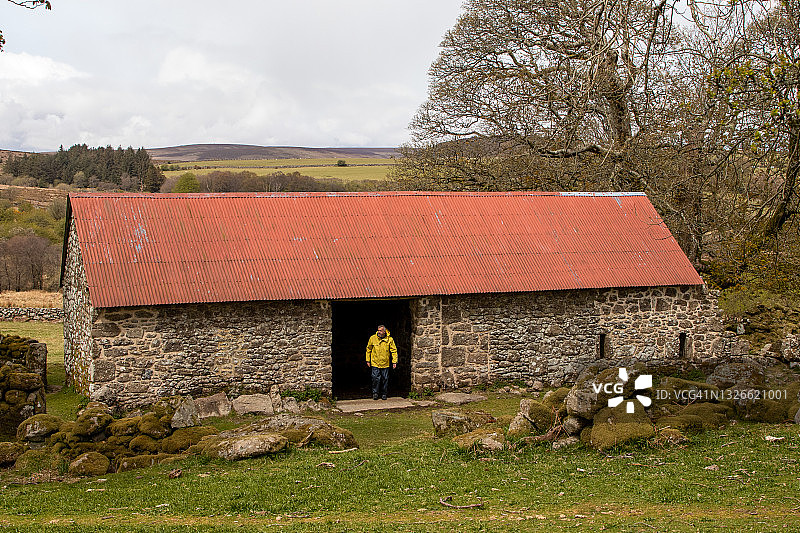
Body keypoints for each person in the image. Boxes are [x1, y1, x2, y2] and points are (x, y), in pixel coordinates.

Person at [366, 325, 397, 400]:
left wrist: (394, 362)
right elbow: (368, 349)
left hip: (385, 363)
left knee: (385, 379)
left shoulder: (390, 339)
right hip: (375, 362)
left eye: (380, 331)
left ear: (384, 331)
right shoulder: (373, 338)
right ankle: (375, 393)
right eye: (378, 330)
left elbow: (394, 351)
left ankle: (384, 393)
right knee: (375, 378)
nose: (378, 332)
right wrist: (368, 360)